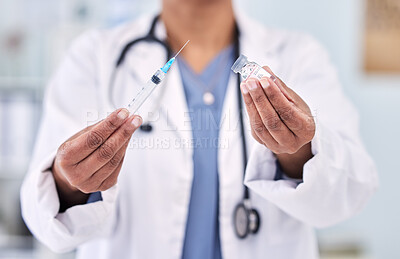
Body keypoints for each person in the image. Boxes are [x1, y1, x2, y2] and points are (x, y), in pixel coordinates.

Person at [20, 0, 378, 258]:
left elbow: (349, 192)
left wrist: (297, 150)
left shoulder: (298, 54)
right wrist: (70, 183)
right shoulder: (94, 57)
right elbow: (43, 217)